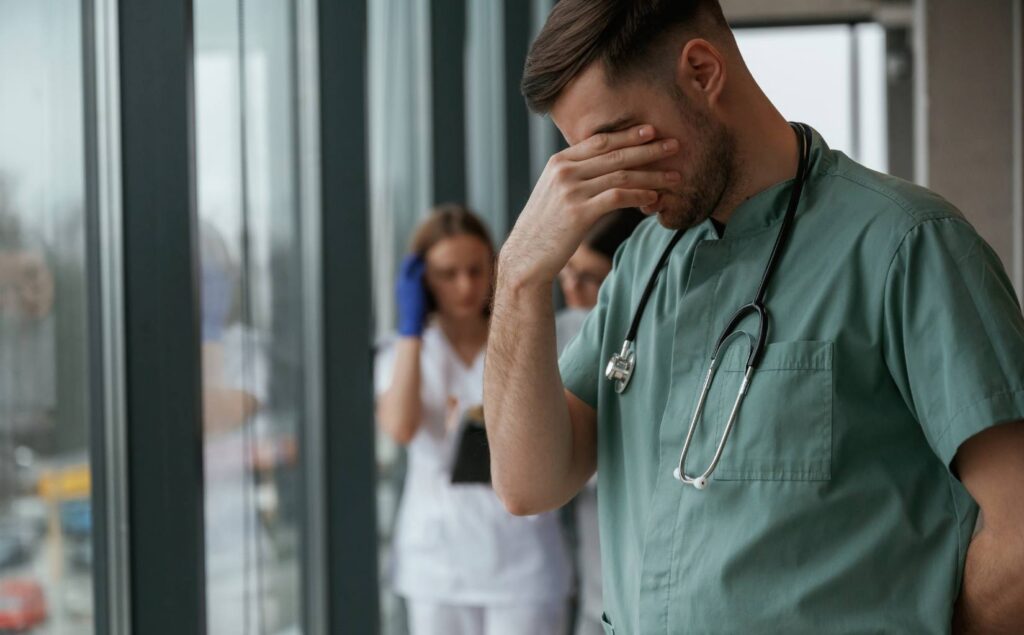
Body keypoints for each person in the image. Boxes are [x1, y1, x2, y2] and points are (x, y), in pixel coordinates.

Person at [484, 2, 1024, 633]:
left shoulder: (906, 245)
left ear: (702, 71)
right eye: (583, 158)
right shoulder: (642, 263)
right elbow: (528, 484)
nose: (613, 184)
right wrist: (519, 274)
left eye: (617, 141)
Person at [375, 204, 571, 635]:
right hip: (437, 564)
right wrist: (411, 330)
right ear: (423, 278)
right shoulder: (406, 352)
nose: (465, 286)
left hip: (522, 560)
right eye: (447, 274)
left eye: (475, 270)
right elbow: (400, 429)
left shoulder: (524, 338)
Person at [554, 210, 644, 635]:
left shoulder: (647, 328)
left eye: (589, 277)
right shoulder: (563, 330)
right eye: (567, 273)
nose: (572, 288)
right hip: (588, 543)